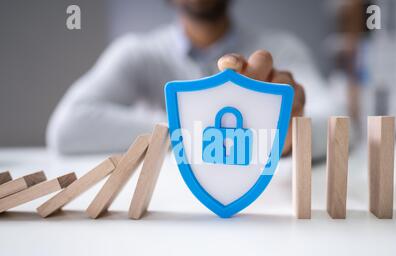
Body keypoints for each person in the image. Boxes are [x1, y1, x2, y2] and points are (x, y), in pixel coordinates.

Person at [47, 0, 345, 158]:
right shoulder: (138, 53)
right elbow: (67, 128)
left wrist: (289, 140)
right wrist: (202, 133)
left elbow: (340, 123)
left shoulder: (281, 48)